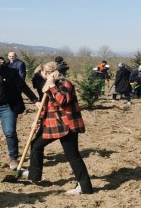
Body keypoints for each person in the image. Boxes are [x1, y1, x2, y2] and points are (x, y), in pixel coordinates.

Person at [24, 61, 93, 195]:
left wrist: (51, 86)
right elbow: (48, 106)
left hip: (67, 125)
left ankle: (85, 187)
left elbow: (63, 100)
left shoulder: (65, 83)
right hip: (53, 124)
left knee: (72, 156)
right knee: (36, 145)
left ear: (49, 73)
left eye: (43, 73)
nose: (41, 76)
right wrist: (37, 121)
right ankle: (34, 177)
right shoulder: (48, 86)